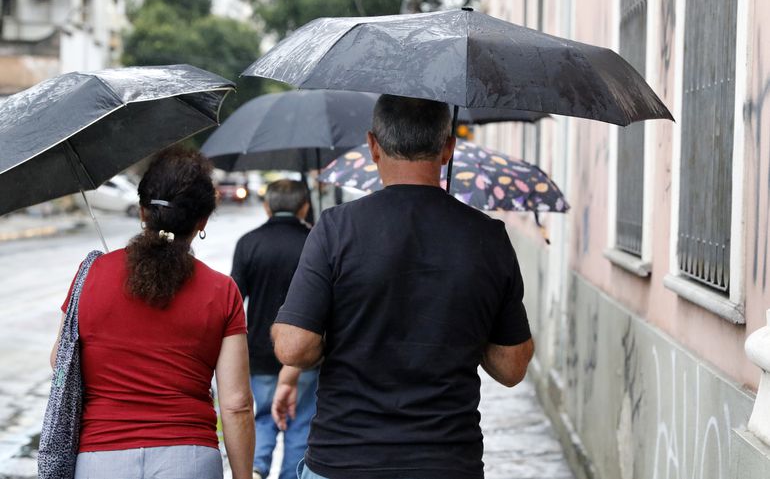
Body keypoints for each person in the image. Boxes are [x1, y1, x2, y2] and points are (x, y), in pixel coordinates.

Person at [270, 94, 535, 479]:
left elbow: (294, 347)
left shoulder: (335, 228)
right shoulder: (488, 237)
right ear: (448, 148)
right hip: (447, 463)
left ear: (373, 146)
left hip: (345, 459)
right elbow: (512, 367)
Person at [50, 147, 255, 479]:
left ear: (143, 212)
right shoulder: (222, 291)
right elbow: (236, 404)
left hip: (100, 458)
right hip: (190, 459)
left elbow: (60, 358)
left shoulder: (90, 275)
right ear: (202, 221)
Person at [230, 179, 317, 479]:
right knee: (300, 420)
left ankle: (255, 468)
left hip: (258, 351)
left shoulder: (249, 242)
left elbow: (235, 298)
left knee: (264, 416)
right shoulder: (315, 242)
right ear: (304, 206)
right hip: (304, 352)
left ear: (267, 206)